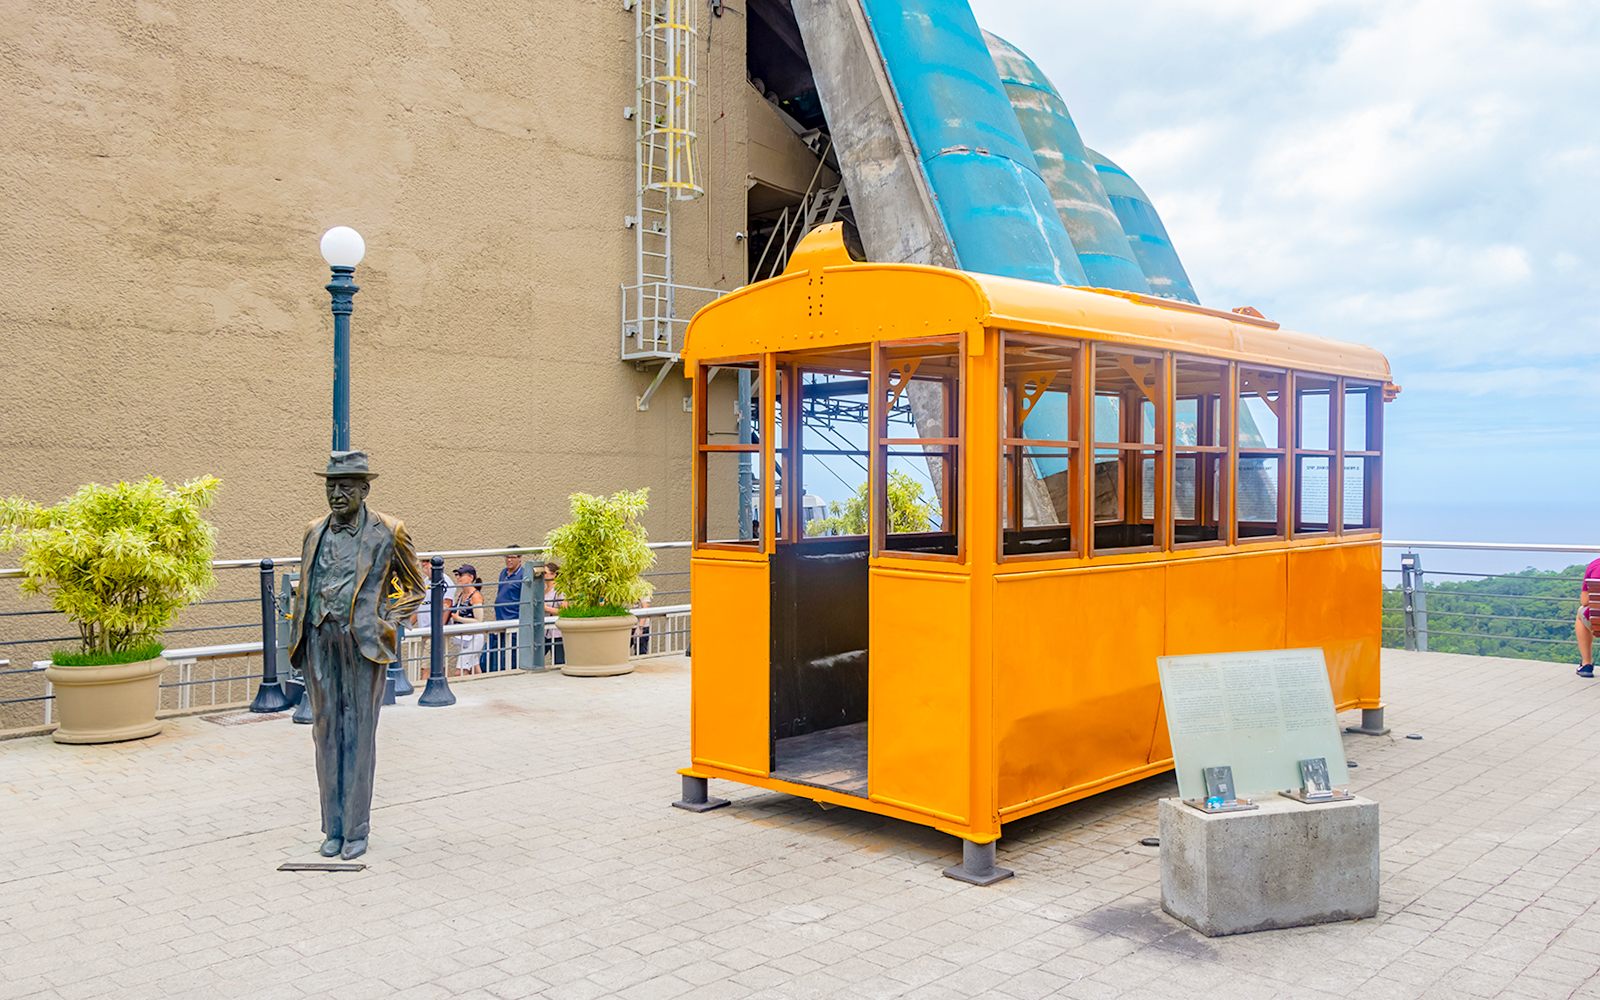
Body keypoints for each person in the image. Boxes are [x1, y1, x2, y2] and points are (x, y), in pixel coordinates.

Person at [287, 450, 425, 862]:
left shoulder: (390, 531)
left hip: (363, 643)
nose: (337, 493)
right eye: (331, 486)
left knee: (359, 734)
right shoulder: (314, 531)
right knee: (325, 733)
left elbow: (415, 587)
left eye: (346, 486)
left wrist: (388, 620)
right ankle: (332, 829)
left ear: (364, 490)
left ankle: (358, 830)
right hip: (318, 639)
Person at [408, 556, 453, 682]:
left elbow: (447, 606)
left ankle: (423, 689)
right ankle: (451, 684)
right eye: (423, 561)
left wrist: (438, 630)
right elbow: (419, 609)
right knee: (441, 665)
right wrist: (407, 626)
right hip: (424, 631)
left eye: (427, 561)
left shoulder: (445, 581)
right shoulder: (425, 582)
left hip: (434, 632)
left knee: (426, 666)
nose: (424, 564)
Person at [488, 548, 526, 672]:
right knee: (498, 654)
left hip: (513, 621)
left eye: (513, 557)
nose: (509, 560)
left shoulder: (523, 575)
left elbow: (525, 599)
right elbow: (500, 594)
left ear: (520, 558)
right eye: (507, 557)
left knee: (511, 656)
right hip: (500, 621)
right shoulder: (503, 573)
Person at [449, 564, 485, 675]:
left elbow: (479, 620)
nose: (458, 577)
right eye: (456, 575)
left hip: (473, 637)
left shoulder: (475, 596)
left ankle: (460, 691)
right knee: (475, 668)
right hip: (463, 638)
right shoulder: (460, 594)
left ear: (470, 577)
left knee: (459, 672)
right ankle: (484, 688)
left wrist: (458, 618)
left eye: (461, 575)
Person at [1578, 556, 1600, 677]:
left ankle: (1586, 664)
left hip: (1599, 622)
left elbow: (1585, 601)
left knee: (1581, 613)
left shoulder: (1595, 565)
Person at [542, 560, 566, 666]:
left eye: (545, 573)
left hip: (556, 632)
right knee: (535, 657)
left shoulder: (559, 591)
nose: (543, 576)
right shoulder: (543, 591)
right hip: (544, 632)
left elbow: (564, 611)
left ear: (553, 574)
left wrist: (546, 608)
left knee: (558, 660)